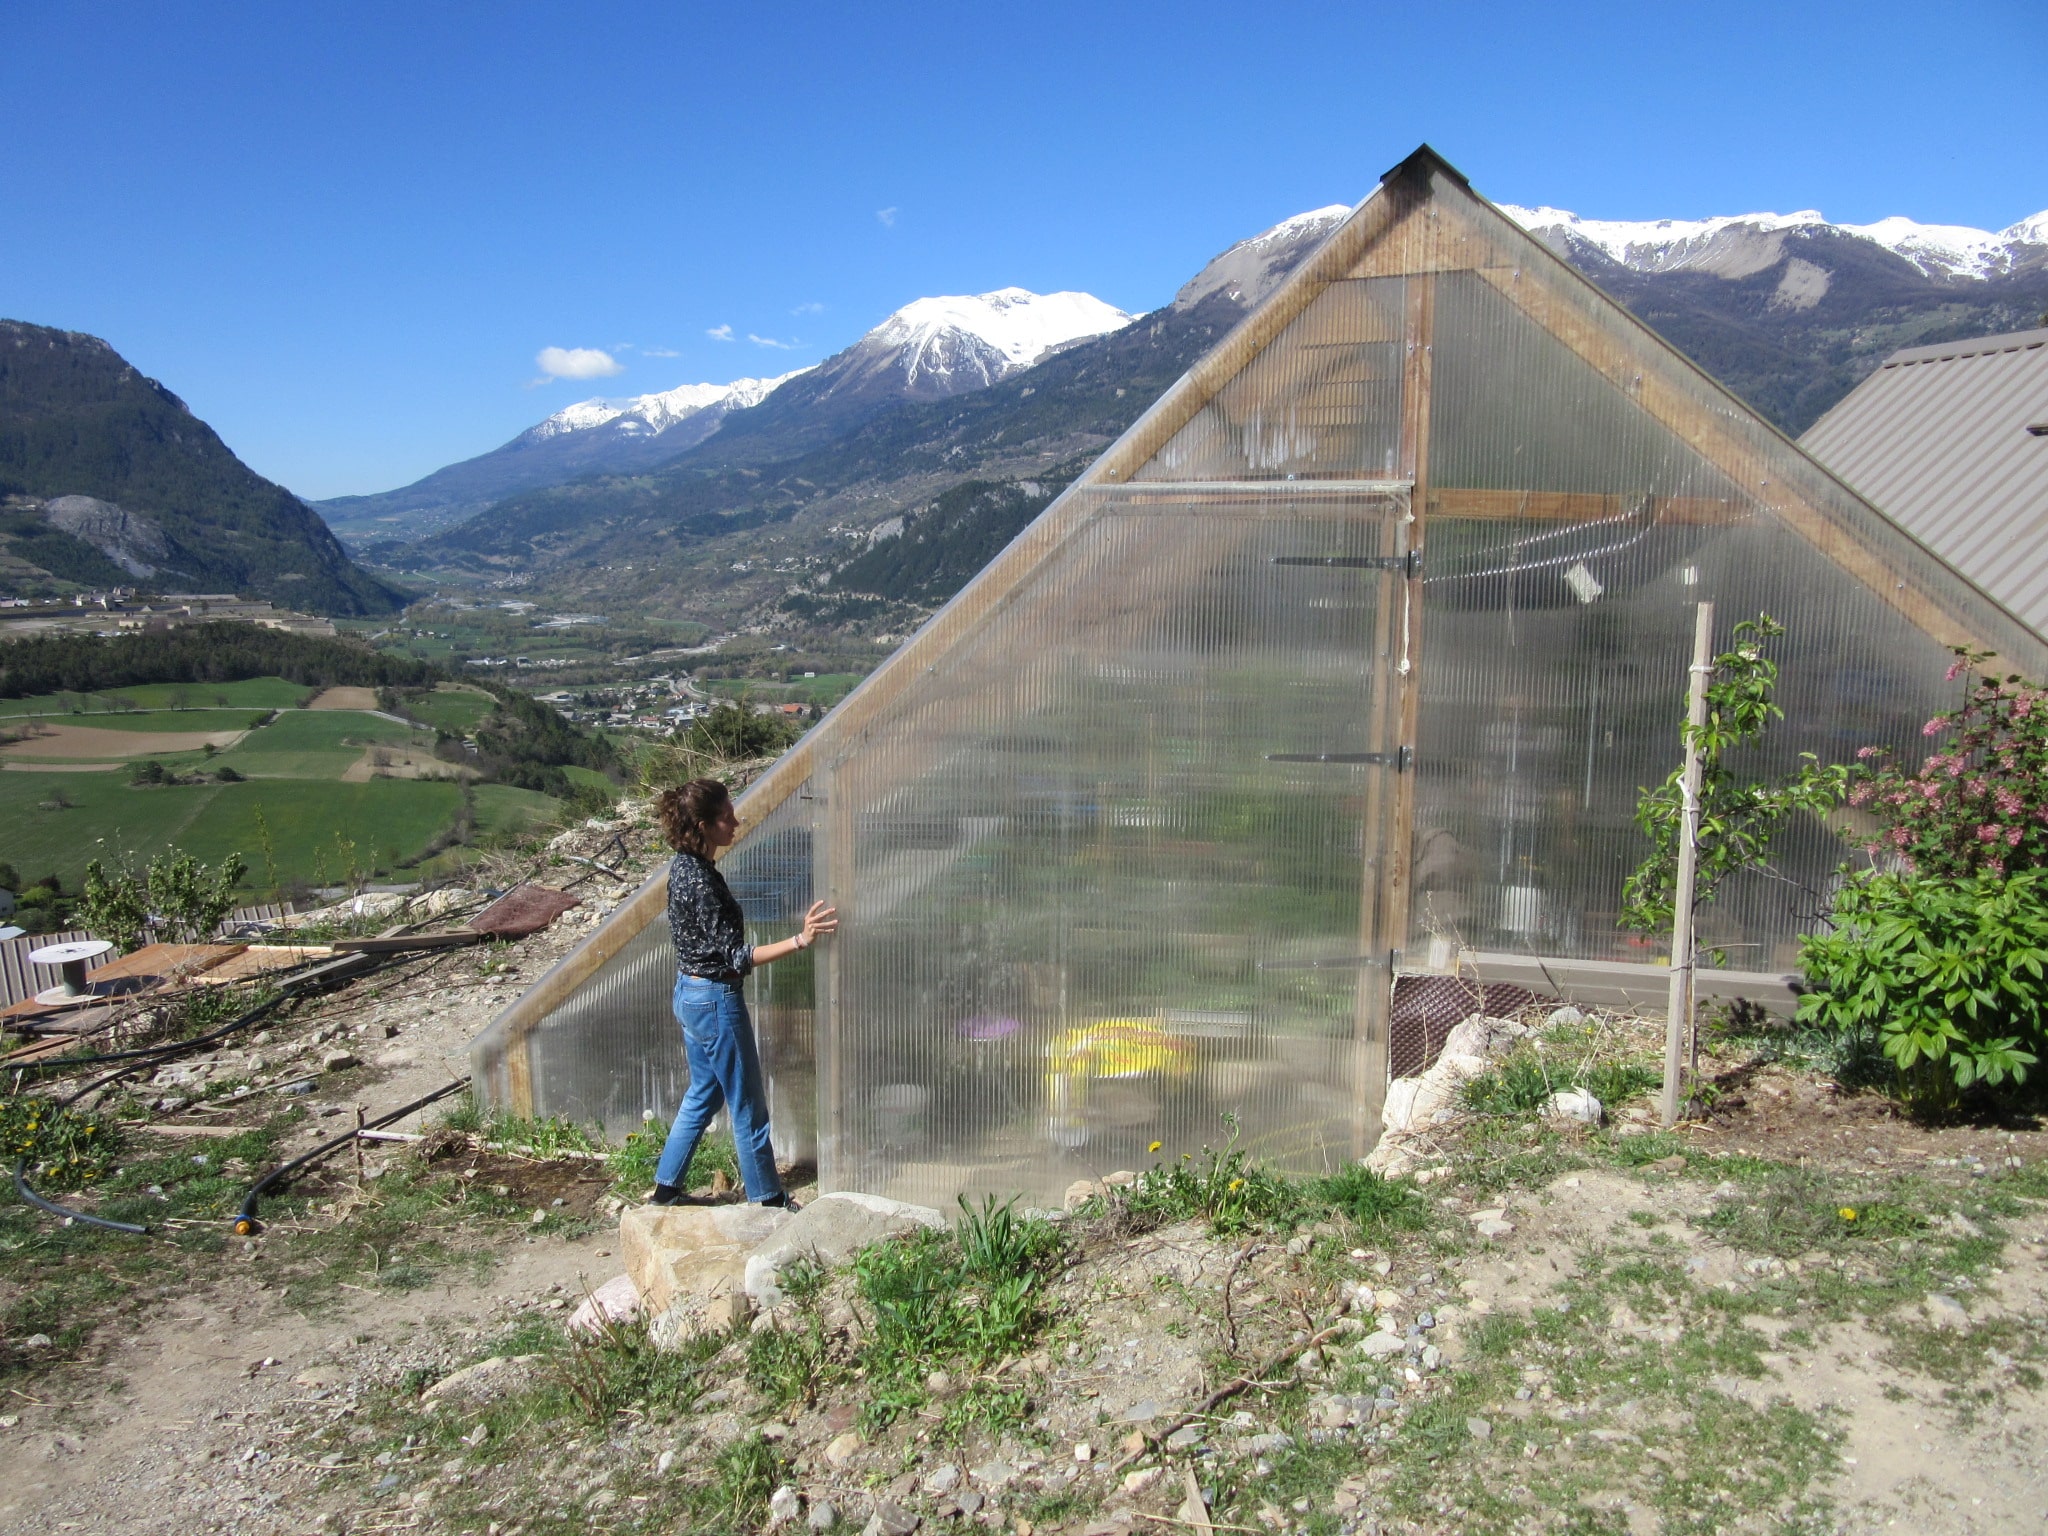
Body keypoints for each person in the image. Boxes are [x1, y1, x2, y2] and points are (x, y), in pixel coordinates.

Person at [648, 777, 836, 1208]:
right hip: (714, 999)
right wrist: (800, 940)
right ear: (702, 825)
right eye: (726, 817)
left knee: (704, 1094)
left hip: (691, 993)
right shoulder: (701, 881)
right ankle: (768, 1200)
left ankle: (666, 1191)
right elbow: (736, 956)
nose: (736, 822)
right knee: (748, 1104)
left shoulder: (683, 868)